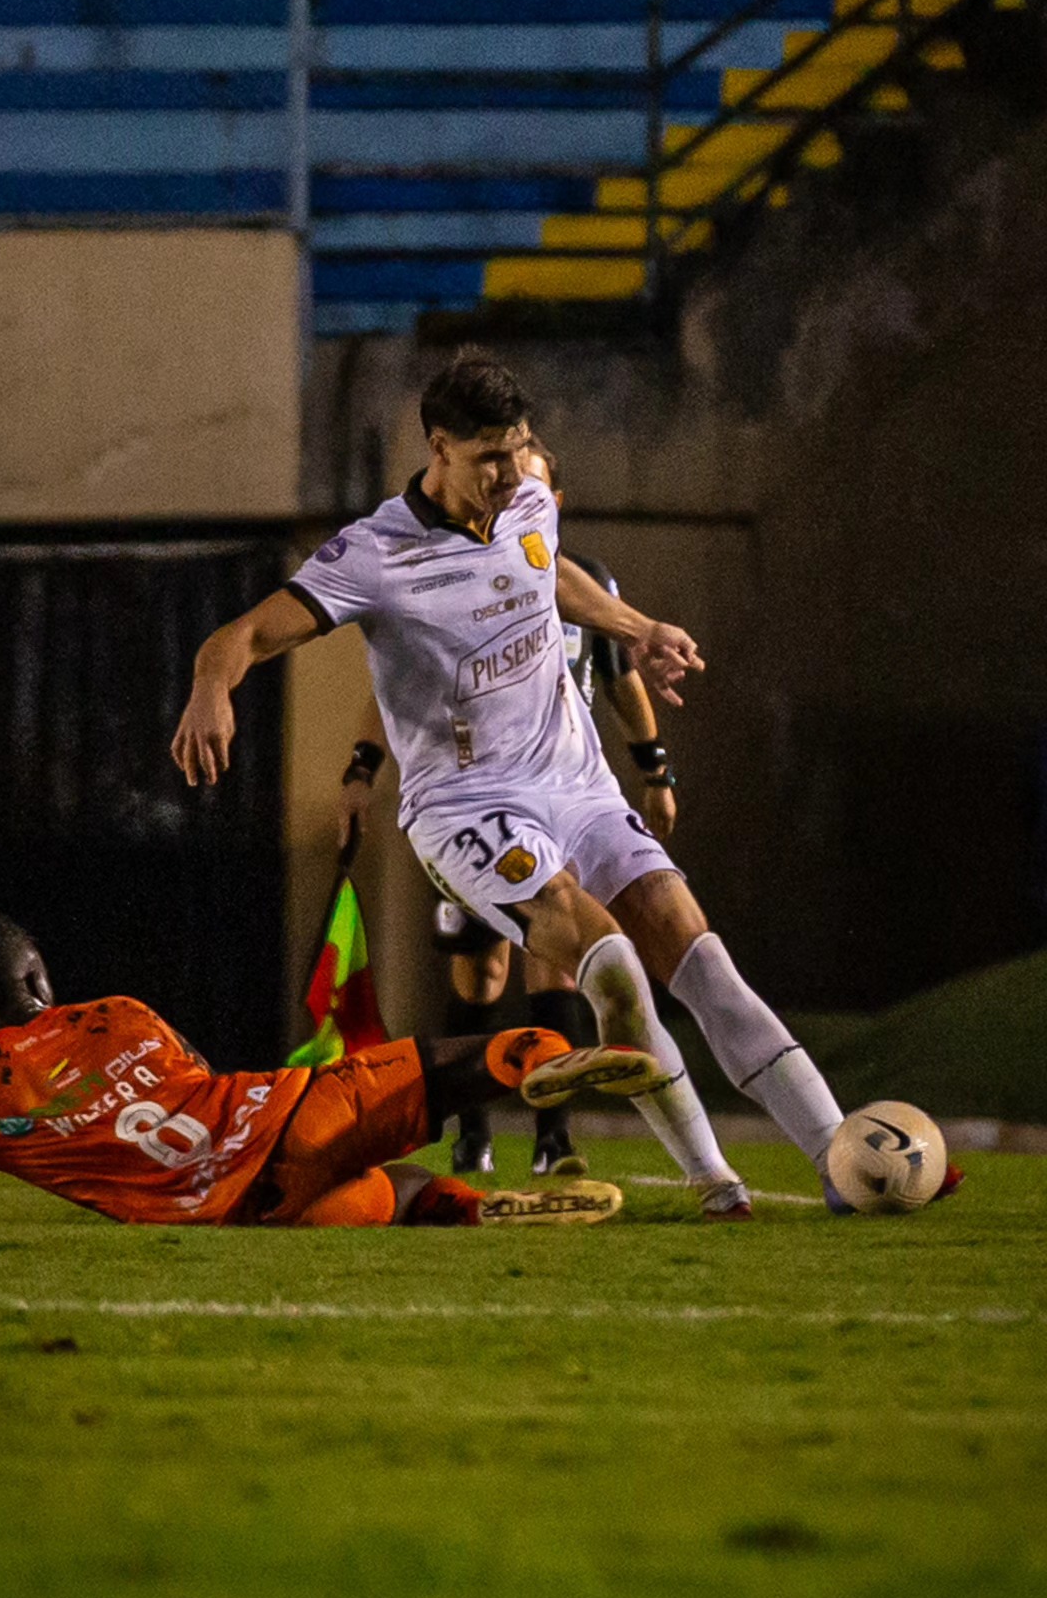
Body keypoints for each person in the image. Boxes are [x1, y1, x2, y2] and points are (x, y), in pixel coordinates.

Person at [172, 351, 959, 1219]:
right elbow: (244, 636)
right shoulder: (374, 553)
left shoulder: (526, 500)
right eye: (489, 458)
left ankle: (842, 1158)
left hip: (578, 785)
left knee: (705, 962)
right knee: (608, 958)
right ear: (439, 447)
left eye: (517, 451)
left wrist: (638, 626)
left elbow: (552, 574)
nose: (510, 475)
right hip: (468, 807)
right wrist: (211, 687)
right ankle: (714, 1181)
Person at [0, 911, 663, 1229]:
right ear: (39, 978)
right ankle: (551, 1057)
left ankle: (475, 1208)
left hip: (241, 1211)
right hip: (281, 1117)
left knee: (384, 1187)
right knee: (464, 1060)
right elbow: (201, 1079)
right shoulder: (119, 1013)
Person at [338, 437, 679, 1180]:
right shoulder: (451, 573)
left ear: (554, 501)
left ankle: (556, 1138)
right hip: (473, 804)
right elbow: (393, 689)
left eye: (533, 486)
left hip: (557, 793)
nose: (514, 493)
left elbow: (620, 676)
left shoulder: (584, 580)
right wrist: (362, 768)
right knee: (481, 977)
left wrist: (655, 768)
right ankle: (473, 1129)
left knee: (556, 968)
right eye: (507, 480)